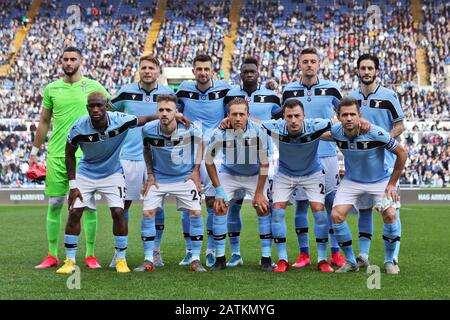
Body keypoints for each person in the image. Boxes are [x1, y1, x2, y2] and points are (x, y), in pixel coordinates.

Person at [56, 92, 154, 274]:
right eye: (91, 106)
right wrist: (73, 185)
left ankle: (121, 260)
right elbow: (69, 154)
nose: (95, 109)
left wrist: (172, 115)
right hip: (86, 173)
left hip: (112, 173)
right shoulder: (78, 127)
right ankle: (69, 261)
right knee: (75, 212)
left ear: (106, 105)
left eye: (99, 105)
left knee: (118, 212)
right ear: (87, 107)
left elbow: (145, 118)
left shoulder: (120, 120)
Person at [31, 47, 110, 269]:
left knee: (89, 205)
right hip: (57, 154)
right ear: (61, 62)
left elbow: (111, 111)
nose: (68, 62)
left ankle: (90, 255)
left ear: (81, 61)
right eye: (65, 59)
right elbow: (44, 122)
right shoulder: (51, 88)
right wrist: (34, 152)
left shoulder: (94, 87)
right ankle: (52, 254)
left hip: (86, 155)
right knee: (55, 203)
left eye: (73, 59)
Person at [108, 55, 178, 268]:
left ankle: (155, 251)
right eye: (143, 68)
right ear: (139, 70)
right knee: (123, 206)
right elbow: (110, 114)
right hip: (128, 157)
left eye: (151, 68)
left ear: (158, 71)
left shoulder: (168, 95)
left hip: (158, 158)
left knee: (157, 207)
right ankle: (120, 252)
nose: (147, 71)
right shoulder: (126, 92)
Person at [323, 97, 407, 273]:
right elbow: (314, 132)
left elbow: (402, 153)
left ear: (359, 116)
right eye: (344, 114)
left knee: (390, 215)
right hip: (352, 181)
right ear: (338, 116)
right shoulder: (336, 132)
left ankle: (390, 260)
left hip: (380, 181)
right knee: (336, 216)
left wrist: (392, 184)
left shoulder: (375, 132)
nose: (348, 118)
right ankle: (352, 261)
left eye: (352, 114)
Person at [281, 47, 345, 268]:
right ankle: (304, 253)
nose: (309, 64)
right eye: (305, 61)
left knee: (330, 204)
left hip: (327, 154)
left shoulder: (332, 89)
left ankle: (335, 251)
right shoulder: (289, 90)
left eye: (313, 61)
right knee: (301, 205)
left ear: (319, 64)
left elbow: (345, 116)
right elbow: (284, 122)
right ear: (299, 64)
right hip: (299, 157)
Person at [221, 56, 282, 268]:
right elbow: (226, 121)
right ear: (240, 73)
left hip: (260, 159)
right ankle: (232, 254)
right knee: (229, 207)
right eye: (245, 71)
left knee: (264, 207)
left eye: (252, 71)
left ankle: (267, 257)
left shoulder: (271, 96)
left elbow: (278, 122)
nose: (249, 74)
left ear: (258, 73)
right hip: (232, 161)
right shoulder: (230, 95)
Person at [261, 99, 335, 273]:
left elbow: (338, 124)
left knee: (319, 211)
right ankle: (282, 259)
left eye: (297, 116)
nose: (293, 120)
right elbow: (254, 123)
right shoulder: (275, 127)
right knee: (277, 211)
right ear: (283, 118)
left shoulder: (316, 125)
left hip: (312, 173)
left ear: (304, 116)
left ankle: (323, 259)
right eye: (289, 116)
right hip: (285, 174)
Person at [349, 54, 405, 272]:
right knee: (363, 209)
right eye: (362, 68)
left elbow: (400, 125)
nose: (366, 72)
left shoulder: (389, 95)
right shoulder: (352, 97)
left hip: (385, 163)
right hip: (360, 164)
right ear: (358, 71)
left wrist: (386, 140)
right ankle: (363, 255)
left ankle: (391, 259)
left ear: (376, 71)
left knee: (390, 212)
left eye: (370, 68)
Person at [137, 94, 206, 272]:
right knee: (147, 213)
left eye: (169, 110)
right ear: (157, 111)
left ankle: (196, 259)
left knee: (196, 212)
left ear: (177, 112)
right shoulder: (148, 130)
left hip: (184, 177)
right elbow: (146, 150)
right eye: (161, 110)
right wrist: (150, 174)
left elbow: (202, 144)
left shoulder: (190, 129)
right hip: (159, 178)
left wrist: (196, 171)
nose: (164, 113)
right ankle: (148, 259)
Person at [176, 53, 232, 267]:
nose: (202, 72)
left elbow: (233, 109)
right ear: (193, 71)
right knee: (187, 204)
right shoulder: (183, 89)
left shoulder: (224, 89)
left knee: (211, 202)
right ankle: (190, 251)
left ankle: (210, 249)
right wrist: (178, 115)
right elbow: (175, 108)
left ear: (212, 70)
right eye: (199, 69)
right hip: (188, 151)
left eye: (206, 69)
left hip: (214, 153)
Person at [205, 98, 273, 272]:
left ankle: (266, 258)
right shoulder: (220, 132)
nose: (237, 118)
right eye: (234, 114)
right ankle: (220, 258)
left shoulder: (259, 131)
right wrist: (219, 190)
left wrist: (259, 193)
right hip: (230, 173)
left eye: (241, 114)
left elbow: (265, 163)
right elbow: (209, 161)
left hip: (254, 174)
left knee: (262, 206)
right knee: (219, 206)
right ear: (227, 115)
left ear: (248, 115)